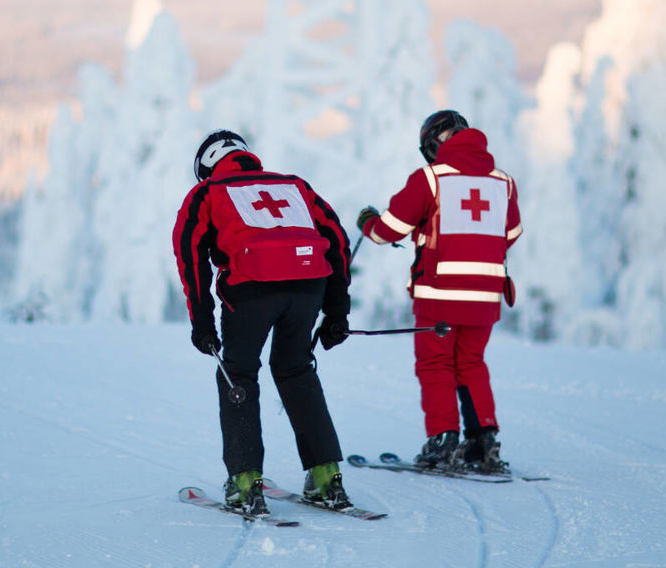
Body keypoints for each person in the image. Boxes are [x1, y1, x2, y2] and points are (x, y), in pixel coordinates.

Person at [173, 130, 356, 515]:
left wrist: (202, 322)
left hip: (251, 289)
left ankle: (244, 483)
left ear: (206, 167)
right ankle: (326, 477)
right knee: (296, 370)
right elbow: (336, 239)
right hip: (308, 285)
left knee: (237, 374)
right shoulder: (293, 185)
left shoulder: (207, 192)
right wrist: (337, 310)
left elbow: (190, 255)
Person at [355, 110, 521, 474]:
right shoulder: (503, 182)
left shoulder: (431, 178)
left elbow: (389, 230)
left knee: (436, 365)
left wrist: (368, 223)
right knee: (471, 363)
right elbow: (510, 233)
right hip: (486, 296)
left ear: (433, 145)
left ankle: (443, 442)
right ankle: (483, 442)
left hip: (439, 293)